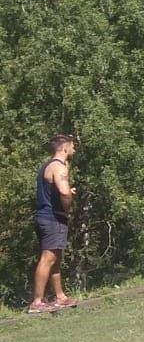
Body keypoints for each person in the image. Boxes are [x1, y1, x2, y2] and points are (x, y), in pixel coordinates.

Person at [29, 134, 78, 314]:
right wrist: (67, 207)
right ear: (64, 148)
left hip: (46, 216)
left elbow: (56, 191)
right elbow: (64, 193)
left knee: (55, 258)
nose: (74, 149)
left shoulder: (48, 165)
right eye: (72, 146)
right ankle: (37, 302)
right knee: (48, 258)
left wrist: (66, 192)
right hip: (52, 218)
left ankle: (60, 297)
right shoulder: (59, 167)